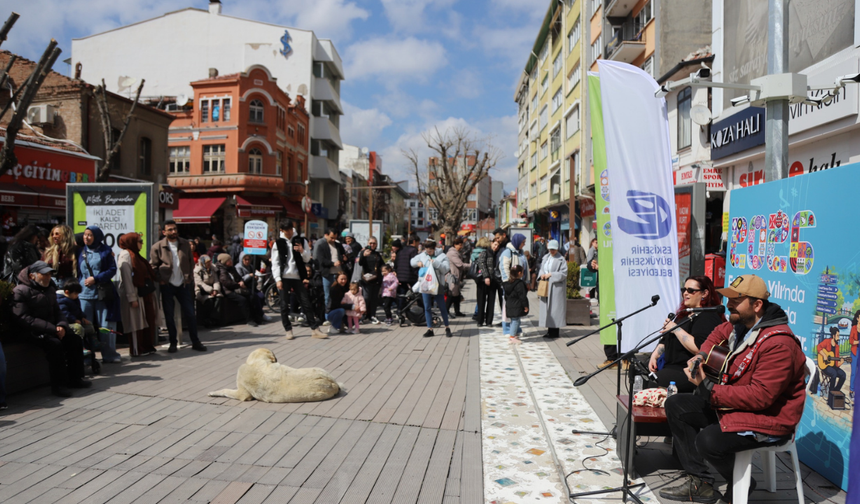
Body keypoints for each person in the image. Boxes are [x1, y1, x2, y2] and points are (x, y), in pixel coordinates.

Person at [660, 274, 807, 504]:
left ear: (757, 305)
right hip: (738, 406)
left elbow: (760, 398)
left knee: (708, 441)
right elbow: (716, 335)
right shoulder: (740, 324)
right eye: (729, 299)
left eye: (736, 301)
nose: (729, 305)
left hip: (768, 418)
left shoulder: (779, 343)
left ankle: (743, 483)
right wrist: (699, 356)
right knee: (676, 405)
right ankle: (701, 482)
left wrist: (708, 387)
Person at [11, 261, 91, 397]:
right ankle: (59, 385)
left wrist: (62, 326)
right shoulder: (20, 291)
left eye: (49, 274)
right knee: (55, 346)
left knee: (74, 340)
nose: (48, 277)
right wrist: (53, 329)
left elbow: (58, 311)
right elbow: (24, 318)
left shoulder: (50, 289)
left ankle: (75, 378)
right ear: (32, 276)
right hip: (32, 331)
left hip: (52, 328)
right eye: (44, 275)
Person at [647, 276, 725, 393]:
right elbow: (667, 338)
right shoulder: (685, 314)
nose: (685, 293)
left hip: (687, 371)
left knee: (654, 382)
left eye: (691, 290)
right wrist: (655, 354)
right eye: (684, 290)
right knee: (638, 373)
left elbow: (700, 348)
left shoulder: (707, 317)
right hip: (670, 366)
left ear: (704, 293)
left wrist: (675, 328)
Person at [150, 220, 207, 353]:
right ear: (164, 232)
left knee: (190, 314)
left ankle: (195, 341)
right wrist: (161, 280)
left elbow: (190, 262)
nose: (173, 232)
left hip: (183, 284)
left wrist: (189, 278)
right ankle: (173, 342)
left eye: (175, 229)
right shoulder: (158, 247)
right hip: (167, 285)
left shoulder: (185, 244)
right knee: (169, 315)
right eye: (170, 229)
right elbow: (153, 267)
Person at [271, 220, 328, 340]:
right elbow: (275, 263)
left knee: (306, 303)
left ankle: (315, 329)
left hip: (298, 277)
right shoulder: (278, 243)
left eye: (290, 229)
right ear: (282, 230)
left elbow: (307, 259)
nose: (289, 232)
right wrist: (277, 279)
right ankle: (288, 330)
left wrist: (302, 251)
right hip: (284, 277)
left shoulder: (301, 240)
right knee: (283, 305)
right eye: (286, 230)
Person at [78, 226, 122, 364]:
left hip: (102, 294)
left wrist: (96, 278)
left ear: (97, 237)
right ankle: (87, 358)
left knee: (105, 327)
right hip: (84, 295)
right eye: (85, 235)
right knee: (85, 327)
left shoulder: (106, 251)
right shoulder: (81, 250)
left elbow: (112, 269)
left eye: (90, 235)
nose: (86, 237)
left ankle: (109, 355)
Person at [117, 233, 157, 357]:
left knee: (145, 321)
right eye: (139, 241)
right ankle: (136, 349)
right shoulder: (126, 255)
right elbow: (127, 278)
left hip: (142, 293)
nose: (142, 243)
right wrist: (132, 298)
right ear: (132, 242)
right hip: (134, 294)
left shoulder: (136, 255)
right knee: (135, 323)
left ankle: (145, 347)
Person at [411, 240, 453, 338]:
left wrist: (436, 263)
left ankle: (447, 327)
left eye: (430, 251)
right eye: (427, 251)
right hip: (425, 285)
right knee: (427, 307)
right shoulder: (423, 255)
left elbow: (446, 269)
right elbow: (412, 261)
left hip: (438, 284)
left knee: (442, 307)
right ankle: (430, 329)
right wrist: (418, 263)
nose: (428, 253)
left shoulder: (442, 256)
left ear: (434, 249)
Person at [57, 279, 97, 362]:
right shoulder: (62, 301)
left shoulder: (75, 299)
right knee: (78, 328)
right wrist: (74, 319)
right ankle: (81, 347)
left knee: (90, 325)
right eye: (75, 293)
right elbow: (65, 313)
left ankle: (93, 342)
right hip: (68, 322)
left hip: (77, 320)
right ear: (67, 292)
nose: (77, 295)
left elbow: (78, 310)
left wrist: (82, 317)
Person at [536, 240, 567, 339]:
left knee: (555, 309)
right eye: (550, 249)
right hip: (546, 285)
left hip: (555, 287)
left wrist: (551, 275)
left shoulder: (561, 259)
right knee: (547, 309)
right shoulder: (546, 257)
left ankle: (554, 331)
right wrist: (542, 275)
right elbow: (542, 268)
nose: (552, 251)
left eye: (553, 249)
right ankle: (549, 330)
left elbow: (564, 274)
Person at [500, 233, 529, 337]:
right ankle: (508, 330)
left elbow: (526, 267)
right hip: (511, 285)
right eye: (523, 242)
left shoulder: (520, 253)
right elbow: (504, 268)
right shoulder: (507, 253)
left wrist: (527, 281)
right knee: (510, 308)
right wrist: (508, 282)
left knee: (518, 307)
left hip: (519, 284)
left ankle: (516, 329)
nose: (524, 245)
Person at [215, 253, 255, 326]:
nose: (231, 261)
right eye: (229, 260)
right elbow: (227, 283)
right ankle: (248, 319)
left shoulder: (231, 268)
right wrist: (238, 285)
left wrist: (241, 281)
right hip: (227, 291)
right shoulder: (222, 270)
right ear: (225, 261)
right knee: (242, 300)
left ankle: (255, 317)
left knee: (251, 296)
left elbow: (238, 277)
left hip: (235, 288)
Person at [812, 326, 847, 395]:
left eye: (839, 336)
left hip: (833, 366)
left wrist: (841, 362)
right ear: (833, 336)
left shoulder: (837, 347)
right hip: (825, 366)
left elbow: (836, 364)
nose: (838, 338)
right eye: (837, 336)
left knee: (843, 375)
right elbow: (818, 347)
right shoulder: (827, 342)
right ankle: (831, 392)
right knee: (834, 373)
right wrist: (824, 355)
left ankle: (836, 391)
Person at [313, 229, 341, 310]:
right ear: (326, 235)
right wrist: (333, 263)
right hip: (327, 274)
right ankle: (328, 315)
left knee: (338, 295)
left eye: (335, 238)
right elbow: (321, 260)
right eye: (331, 238)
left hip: (338, 273)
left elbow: (342, 255)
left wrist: (343, 259)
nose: (333, 240)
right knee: (328, 296)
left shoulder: (338, 245)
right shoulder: (321, 246)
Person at [236, 253, 268, 324]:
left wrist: (255, 277)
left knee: (261, 296)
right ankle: (259, 315)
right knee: (254, 297)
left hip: (252, 286)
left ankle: (260, 313)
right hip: (245, 287)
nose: (247, 261)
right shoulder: (238, 267)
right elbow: (240, 279)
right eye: (245, 259)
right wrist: (249, 275)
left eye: (249, 259)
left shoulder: (251, 266)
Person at [358, 236, 384, 324]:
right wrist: (363, 255)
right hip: (366, 280)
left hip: (376, 279)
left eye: (374, 243)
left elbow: (382, 264)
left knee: (374, 299)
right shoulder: (363, 252)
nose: (372, 245)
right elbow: (360, 263)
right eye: (370, 243)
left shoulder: (377, 254)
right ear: (367, 244)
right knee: (366, 298)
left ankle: (372, 315)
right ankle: (363, 315)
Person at [474, 237, 498, 327]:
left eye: (497, 245)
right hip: (483, 281)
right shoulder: (485, 252)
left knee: (491, 302)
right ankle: (480, 321)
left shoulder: (495, 253)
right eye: (495, 244)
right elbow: (482, 264)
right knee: (481, 301)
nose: (496, 247)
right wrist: (486, 276)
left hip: (493, 280)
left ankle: (489, 321)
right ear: (491, 243)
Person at [504, 265, 529, 344]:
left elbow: (505, 296)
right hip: (517, 305)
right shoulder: (520, 284)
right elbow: (522, 296)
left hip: (510, 305)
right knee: (515, 320)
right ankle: (512, 337)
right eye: (522, 272)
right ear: (519, 273)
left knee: (514, 320)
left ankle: (513, 335)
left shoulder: (508, 283)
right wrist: (525, 306)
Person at [395, 235, 420, 311]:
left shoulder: (401, 250)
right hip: (410, 276)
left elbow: (396, 263)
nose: (418, 245)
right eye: (418, 243)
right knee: (417, 293)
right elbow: (414, 264)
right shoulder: (413, 251)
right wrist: (417, 275)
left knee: (402, 294)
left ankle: (400, 309)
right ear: (415, 242)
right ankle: (420, 309)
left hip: (401, 276)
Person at [445, 237, 468, 317]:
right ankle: (446, 311)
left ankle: (457, 311)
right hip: (452, 276)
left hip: (456, 276)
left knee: (456, 295)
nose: (461, 246)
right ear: (455, 245)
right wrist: (471, 266)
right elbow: (460, 264)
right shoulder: (452, 253)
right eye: (460, 245)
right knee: (451, 294)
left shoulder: (456, 252)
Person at [850, 310, 858, 401]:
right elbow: (851, 341)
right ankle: (851, 391)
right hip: (855, 351)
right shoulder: (854, 328)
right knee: (853, 372)